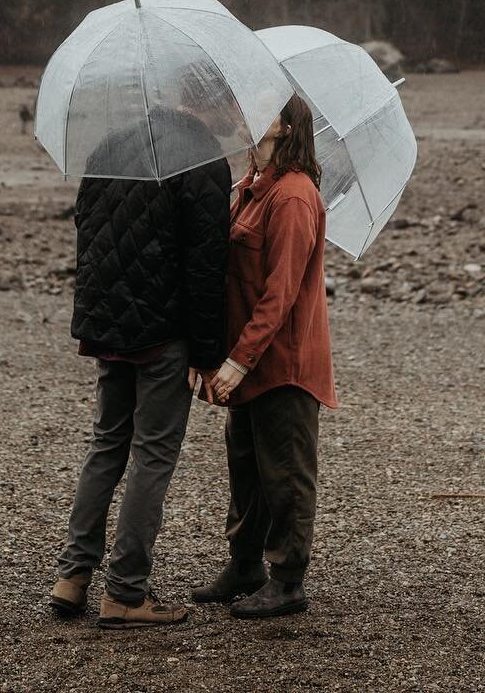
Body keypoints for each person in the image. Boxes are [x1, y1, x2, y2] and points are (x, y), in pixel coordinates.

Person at [49, 102, 231, 628]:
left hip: (108, 329)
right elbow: (206, 267)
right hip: (163, 334)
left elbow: (88, 230)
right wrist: (206, 352)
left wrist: (100, 317)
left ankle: (73, 575)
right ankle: (126, 590)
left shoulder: (108, 144)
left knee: (106, 445)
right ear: (202, 101)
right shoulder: (202, 158)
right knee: (153, 455)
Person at [193, 92, 337, 619]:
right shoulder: (253, 189)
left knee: (286, 474)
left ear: (287, 127)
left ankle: (288, 579)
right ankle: (245, 566)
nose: (250, 121)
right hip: (250, 360)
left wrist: (238, 361)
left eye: (264, 114)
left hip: (284, 365)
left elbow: (281, 293)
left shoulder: (295, 197)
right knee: (247, 468)